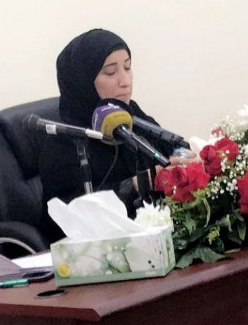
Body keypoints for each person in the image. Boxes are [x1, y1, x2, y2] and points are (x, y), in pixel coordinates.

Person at [39, 29, 178, 242]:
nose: (125, 81)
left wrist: (185, 161)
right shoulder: (63, 142)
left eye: (127, 67)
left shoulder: (132, 115)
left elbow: (169, 151)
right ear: (83, 81)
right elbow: (73, 215)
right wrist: (135, 184)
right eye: (111, 72)